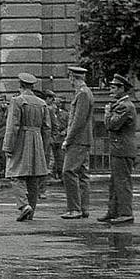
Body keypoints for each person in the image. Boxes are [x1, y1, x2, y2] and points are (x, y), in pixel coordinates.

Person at [2, 73, 51, 221]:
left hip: (21, 140)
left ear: (20, 85)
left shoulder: (17, 101)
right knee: (33, 178)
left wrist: (8, 147)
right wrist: (44, 147)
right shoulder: (42, 103)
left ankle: (24, 206)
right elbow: (47, 128)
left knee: (15, 174)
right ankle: (32, 210)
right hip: (37, 140)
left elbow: (13, 126)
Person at [99, 74, 137, 225]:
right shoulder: (122, 105)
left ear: (122, 89)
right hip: (119, 149)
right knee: (115, 182)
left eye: (114, 88)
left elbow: (111, 125)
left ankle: (126, 213)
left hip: (123, 149)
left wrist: (107, 112)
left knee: (122, 182)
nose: (111, 90)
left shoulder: (124, 106)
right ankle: (113, 211)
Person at [61, 66, 94, 219]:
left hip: (78, 140)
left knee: (68, 171)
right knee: (82, 174)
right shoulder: (85, 92)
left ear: (72, 77)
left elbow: (78, 120)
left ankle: (74, 209)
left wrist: (68, 139)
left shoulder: (82, 94)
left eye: (70, 78)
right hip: (83, 139)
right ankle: (83, 208)